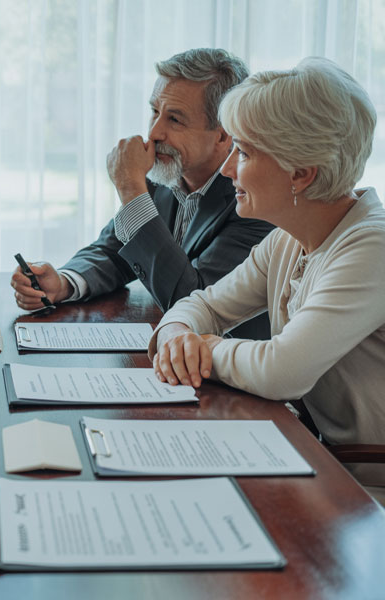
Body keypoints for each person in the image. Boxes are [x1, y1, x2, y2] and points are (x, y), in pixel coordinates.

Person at [150, 57, 385, 502]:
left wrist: (207, 348)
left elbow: (283, 370)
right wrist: (179, 334)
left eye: (245, 152)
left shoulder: (372, 248)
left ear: (301, 172)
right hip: (320, 465)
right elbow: (204, 305)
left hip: (365, 488)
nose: (228, 169)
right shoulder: (288, 240)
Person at [11, 48, 273, 339]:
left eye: (175, 120)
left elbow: (194, 302)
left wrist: (131, 190)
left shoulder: (252, 200)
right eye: (154, 112)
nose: (154, 133)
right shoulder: (167, 174)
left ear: (223, 135)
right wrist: (64, 282)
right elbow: (114, 250)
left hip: (226, 367)